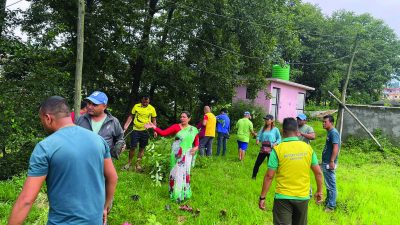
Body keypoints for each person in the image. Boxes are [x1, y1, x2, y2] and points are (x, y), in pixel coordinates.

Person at [8, 96, 118, 225]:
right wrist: (104, 208)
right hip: (94, 221)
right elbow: (113, 177)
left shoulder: (45, 147)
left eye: (41, 120)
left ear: (48, 118)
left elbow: (26, 200)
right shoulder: (98, 140)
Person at [258, 117, 323, 225]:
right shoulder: (307, 148)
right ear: (298, 132)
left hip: (283, 197)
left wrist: (262, 197)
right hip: (302, 197)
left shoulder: (278, 149)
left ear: (283, 132)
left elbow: (269, 176)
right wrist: (319, 191)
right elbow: (318, 173)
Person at [144, 112, 199, 202]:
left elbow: (196, 140)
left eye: (184, 117)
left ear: (189, 119)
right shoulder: (176, 127)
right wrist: (154, 127)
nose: (182, 118)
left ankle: (185, 193)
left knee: (185, 173)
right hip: (177, 154)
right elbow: (163, 133)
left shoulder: (193, 129)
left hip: (188, 154)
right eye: (181, 117)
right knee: (176, 173)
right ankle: (176, 194)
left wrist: (196, 147)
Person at [75, 91, 125, 159]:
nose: (89, 106)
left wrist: (120, 145)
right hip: (82, 160)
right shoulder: (80, 119)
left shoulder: (113, 122)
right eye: (89, 103)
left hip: (104, 162)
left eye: (94, 105)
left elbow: (120, 138)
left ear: (104, 106)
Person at [123, 95, 157, 171]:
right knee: (132, 147)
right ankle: (129, 163)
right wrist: (125, 126)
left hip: (145, 130)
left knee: (142, 148)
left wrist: (155, 130)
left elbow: (154, 120)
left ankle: (138, 165)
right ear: (141, 100)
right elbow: (131, 116)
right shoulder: (136, 106)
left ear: (149, 101)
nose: (145, 103)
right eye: (144, 101)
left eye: (147, 101)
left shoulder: (152, 108)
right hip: (135, 129)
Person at [252, 114, 281, 179]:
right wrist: (257, 139)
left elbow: (279, 139)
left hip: (271, 149)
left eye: (267, 119)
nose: (266, 120)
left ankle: (271, 177)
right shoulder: (263, 128)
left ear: (272, 120)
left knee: (271, 165)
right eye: (265, 119)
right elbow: (259, 135)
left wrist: (275, 143)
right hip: (263, 148)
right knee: (257, 163)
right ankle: (253, 177)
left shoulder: (275, 129)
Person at [322, 114, 340, 212]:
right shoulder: (330, 132)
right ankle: (328, 202)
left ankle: (331, 206)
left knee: (331, 185)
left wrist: (332, 161)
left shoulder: (333, 133)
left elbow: (336, 147)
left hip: (330, 163)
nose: (323, 123)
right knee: (328, 184)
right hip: (326, 162)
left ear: (331, 123)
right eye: (323, 122)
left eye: (325, 122)